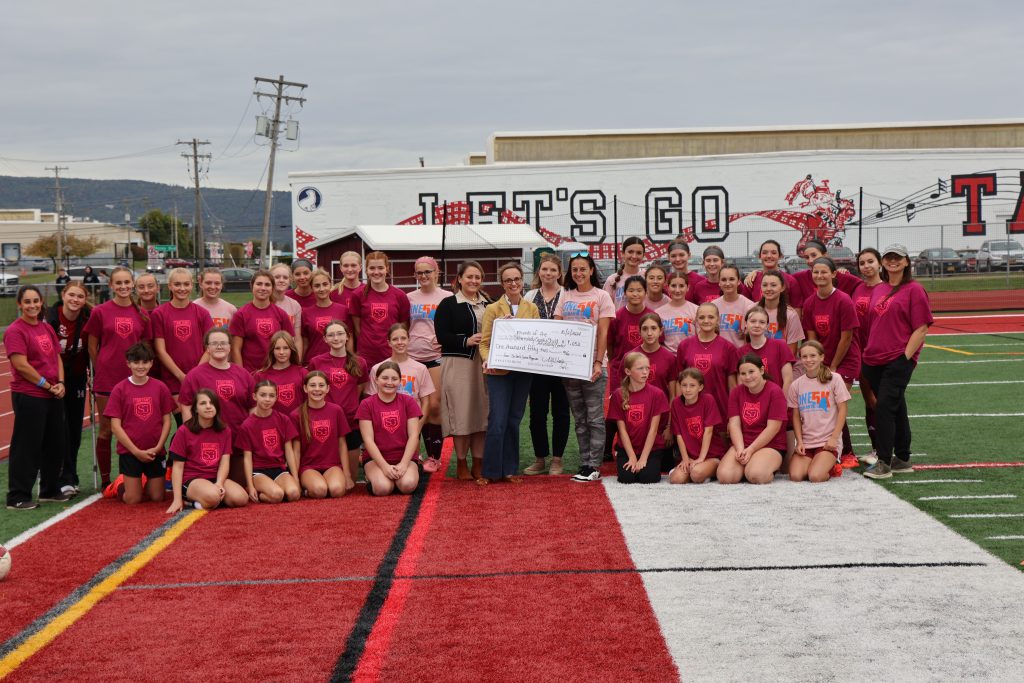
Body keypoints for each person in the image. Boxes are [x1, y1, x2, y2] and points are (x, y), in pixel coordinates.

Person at [861, 244, 933, 479]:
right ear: (883, 262)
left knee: (883, 408)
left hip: (897, 359)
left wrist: (905, 358)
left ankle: (883, 462)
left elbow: (921, 328)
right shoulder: (879, 288)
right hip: (874, 359)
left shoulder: (914, 290)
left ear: (906, 262)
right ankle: (902, 457)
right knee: (896, 406)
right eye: (889, 257)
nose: (893, 261)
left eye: (897, 258)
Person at [5, 286, 70, 509]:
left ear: (42, 302)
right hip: (30, 394)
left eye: (36, 301)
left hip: (53, 393)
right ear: (19, 304)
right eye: (27, 302)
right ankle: (18, 495)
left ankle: (49, 489)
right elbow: (21, 365)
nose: (32, 305)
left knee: (55, 443)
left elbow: (56, 358)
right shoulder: (16, 331)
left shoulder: (45, 327)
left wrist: (60, 383)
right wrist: (46, 385)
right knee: (27, 446)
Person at [84, 266, 149, 489]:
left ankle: (129, 477)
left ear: (133, 284)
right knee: (107, 428)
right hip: (107, 379)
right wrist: (101, 367)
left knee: (134, 427)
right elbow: (92, 345)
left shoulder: (141, 313)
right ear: (111, 285)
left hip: (134, 379)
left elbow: (145, 347)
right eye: (118, 283)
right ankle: (105, 480)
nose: (123, 287)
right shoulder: (100, 311)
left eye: (126, 282)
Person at [554, 251, 615, 483]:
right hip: (570, 367)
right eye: (575, 269)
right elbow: (557, 328)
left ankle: (594, 464)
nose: (578, 273)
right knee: (579, 418)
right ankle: (585, 462)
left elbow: (603, 332)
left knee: (594, 417)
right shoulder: (565, 295)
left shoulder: (601, 296)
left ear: (591, 270)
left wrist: (598, 362)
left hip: (592, 366)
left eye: (583, 269)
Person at [478, 262, 539, 484]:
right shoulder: (493, 309)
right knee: (497, 420)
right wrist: (487, 361)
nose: (513, 283)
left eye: (516, 279)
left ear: (522, 280)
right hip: (499, 373)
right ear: (502, 284)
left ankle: (510, 469)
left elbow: (537, 340)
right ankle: (490, 471)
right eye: (508, 280)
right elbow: (484, 344)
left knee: (514, 420)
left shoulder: (531, 309)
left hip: (523, 373)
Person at [434, 261, 492, 481]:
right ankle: (461, 463)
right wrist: (466, 340)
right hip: (459, 364)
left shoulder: (490, 303)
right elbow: (442, 336)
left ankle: (478, 462)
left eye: (478, 277)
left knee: (481, 414)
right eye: (469, 277)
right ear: (459, 278)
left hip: (486, 364)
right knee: (462, 414)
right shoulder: (448, 304)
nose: (474, 281)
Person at [802, 257, 860, 468]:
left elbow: (846, 337)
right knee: (823, 406)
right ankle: (826, 450)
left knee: (836, 404)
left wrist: (833, 366)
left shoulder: (843, 300)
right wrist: (817, 363)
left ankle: (848, 452)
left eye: (824, 272)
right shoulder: (809, 303)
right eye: (816, 272)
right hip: (822, 361)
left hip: (844, 359)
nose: (819, 276)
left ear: (834, 274)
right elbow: (811, 338)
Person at [178, 327, 255, 488]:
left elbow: (252, 408)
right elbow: (185, 405)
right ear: (207, 348)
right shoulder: (194, 375)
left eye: (223, 343)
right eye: (214, 343)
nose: (219, 347)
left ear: (229, 346)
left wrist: (249, 436)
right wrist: (194, 433)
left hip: (237, 442)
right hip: (207, 444)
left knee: (237, 493)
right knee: (210, 491)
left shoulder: (243, 374)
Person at [104, 343, 174, 504]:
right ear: (128, 363)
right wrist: (136, 451)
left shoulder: (160, 387)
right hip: (130, 452)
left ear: (151, 363)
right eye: (136, 362)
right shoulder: (120, 389)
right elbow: (116, 426)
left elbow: (167, 421)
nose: (140, 366)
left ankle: (141, 482)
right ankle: (119, 485)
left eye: (144, 362)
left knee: (157, 497)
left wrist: (158, 447)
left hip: (155, 452)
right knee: (133, 499)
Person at [523, 254, 569, 476]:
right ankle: (540, 458)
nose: (548, 274)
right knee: (537, 414)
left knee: (561, 411)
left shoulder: (568, 295)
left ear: (559, 273)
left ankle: (557, 460)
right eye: (544, 270)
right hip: (537, 365)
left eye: (553, 270)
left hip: (562, 364)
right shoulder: (530, 296)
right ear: (538, 272)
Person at [166, 389, 247, 513]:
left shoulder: (225, 430)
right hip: (193, 479)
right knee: (213, 496)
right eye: (203, 403)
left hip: (215, 477)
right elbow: (177, 467)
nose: (208, 407)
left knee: (241, 498)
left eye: (212, 403)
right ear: (196, 409)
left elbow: (224, 463)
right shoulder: (184, 431)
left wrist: (219, 483)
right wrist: (176, 499)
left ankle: (206, 501)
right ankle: (191, 500)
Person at [406, 256, 452, 470]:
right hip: (412, 358)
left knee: (434, 406)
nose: (423, 276)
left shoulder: (448, 297)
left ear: (437, 272)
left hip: (436, 358)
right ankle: (413, 453)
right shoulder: (408, 298)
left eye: (428, 272)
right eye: (419, 273)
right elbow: (403, 326)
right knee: (412, 407)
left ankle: (434, 455)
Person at [366, 324, 434, 465]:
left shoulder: (420, 368)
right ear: (389, 342)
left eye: (403, 338)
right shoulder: (377, 369)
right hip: (385, 424)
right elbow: (371, 400)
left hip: (411, 424)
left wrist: (419, 425)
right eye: (395, 339)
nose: (400, 342)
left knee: (409, 470)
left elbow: (426, 401)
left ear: (409, 340)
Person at [46, 280, 91, 496]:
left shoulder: (87, 319)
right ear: (64, 295)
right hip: (53, 380)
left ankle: (71, 475)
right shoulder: (50, 318)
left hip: (77, 378)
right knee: (59, 428)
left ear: (85, 300)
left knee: (74, 429)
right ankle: (60, 476)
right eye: (71, 295)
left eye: (80, 297)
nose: (75, 300)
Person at [307, 320, 367, 480]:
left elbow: (360, 389)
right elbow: (313, 390)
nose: (336, 338)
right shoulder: (316, 362)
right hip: (325, 421)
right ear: (325, 339)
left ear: (347, 336)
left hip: (351, 420)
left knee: (351, 479)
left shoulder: (360, 362)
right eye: (331, 335)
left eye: (340, 333)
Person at [151, 268, 214, 418]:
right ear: (170, 286)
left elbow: (210, 347)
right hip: (173, 379)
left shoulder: (202, 313)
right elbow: (160, 350)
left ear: (192, 285)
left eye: (186, 284)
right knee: (183, 424)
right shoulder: (159, 313)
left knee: (203, 422)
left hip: (200, 377)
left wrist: (194, 374)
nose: (182, 288)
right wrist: (181, 376)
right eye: (177, 284)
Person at [718, 354, 787, 485]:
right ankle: (747, 466)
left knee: (756, 475)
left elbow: (773, 428)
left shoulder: (775, 391)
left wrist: (751, 450)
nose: (747, 377)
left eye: (751, 372)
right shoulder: (736, 392)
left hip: (770, 445)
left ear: (761, 370)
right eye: (743, 373)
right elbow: (734, 425)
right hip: (743, 443)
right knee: (725, 477)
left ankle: (759, 466)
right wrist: (740, 449)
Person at [787, 341, 851, 483]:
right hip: (807, 442)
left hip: (827, 442)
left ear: (821, 357)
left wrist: (834, 438)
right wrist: (799, 441)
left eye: (813, 356)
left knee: (815, 476)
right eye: (804, 357)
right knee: (796, 476)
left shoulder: (834, 378)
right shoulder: (796, 385)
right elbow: (795, 416)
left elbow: (843, 409)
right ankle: (816, 463)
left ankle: (831, 466)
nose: (808, 360)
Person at [357, 362, 423, 496]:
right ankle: (374, 476)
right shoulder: (366, 404)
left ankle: (414, 470)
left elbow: (413, 436)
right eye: (385, 378)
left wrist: (404, 464)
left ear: (400, 381)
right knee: (382, 488)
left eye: (394, 379)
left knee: (407, 485)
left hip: (404, 456)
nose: (389, 382)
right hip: (376, 458)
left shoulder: (409, 401)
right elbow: (368, 440)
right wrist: (384, 467)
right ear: (376, 379)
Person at [606, 352, 670, 484]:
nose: (645, 372)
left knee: (648, 477)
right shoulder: (618, 395)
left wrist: (643, 459)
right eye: (640, 368)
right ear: (628, 371)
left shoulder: (657, 394)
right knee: (626, 478)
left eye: (647, 368)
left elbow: (653, 430)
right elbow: (621, 431)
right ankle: (622, 456)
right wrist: (632, 457)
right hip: (628, 448)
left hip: (651, 448)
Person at [671, 302, 739, 421]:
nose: (706, 321)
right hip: (690, 411)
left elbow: (732, 386)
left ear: (718, 320)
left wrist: (733, 417)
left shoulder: (728, 347)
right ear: (696, 320)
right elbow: (679, 381)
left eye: (711, 317)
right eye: (702, 317)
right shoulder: (684, 345)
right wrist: (679, 410)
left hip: (720, 410)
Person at [236, 380, 301, 503]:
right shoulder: (247, 425)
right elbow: (247, 458)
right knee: (277, 495)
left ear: (276, 397)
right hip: (259, 471)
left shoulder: (283, 419)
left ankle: (274, 489)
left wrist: (296, 478)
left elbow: (289, 451)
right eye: (263, 395)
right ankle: (263, 493)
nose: (267, 399)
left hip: (279, 468)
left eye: (271, 396)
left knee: (294, 494)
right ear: (255, 396)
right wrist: (250, 486)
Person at [291, 371, 352, 498]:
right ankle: (307, 490)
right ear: (305, 388)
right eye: (312, 385)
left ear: (328, 388)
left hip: (332, 465)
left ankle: (326, 484)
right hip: (308, 467)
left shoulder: (336, 410)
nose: (317, 389)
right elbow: (296, 451)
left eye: (321, 385)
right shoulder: (296, 415)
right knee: (320, 490)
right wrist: (295, 479)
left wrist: (347, 475)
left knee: (337, 490)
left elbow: (342, 444)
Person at [852, 248, 885, 464]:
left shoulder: (889, 289)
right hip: (861, 353)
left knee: (884, 401)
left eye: (870, 261)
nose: (866, 266)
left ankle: (887, 448)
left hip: (882, 353)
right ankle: (875, 448)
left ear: (880, 263)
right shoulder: (857, 288)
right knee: (868, 401)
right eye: (862, 263)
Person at [350, 251, 410, 367]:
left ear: (387, 269)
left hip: (392, 354)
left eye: (380, 268)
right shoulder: (357, 295)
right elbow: (357, 329)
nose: (376, 272)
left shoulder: (400, 295)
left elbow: (404, 327)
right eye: (372, 268)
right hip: (366, 356)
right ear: (366, 270)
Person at [669, 368, 726, 484]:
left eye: (692, 385)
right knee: (676, 479)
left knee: (696, 474)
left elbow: (708, 431)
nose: (687, 389)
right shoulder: (676, 403)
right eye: (684, 385)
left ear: (700, 387)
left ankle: (713, 468)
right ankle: (697, 471)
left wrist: (701, 458)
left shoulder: (708, 400)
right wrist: (685, 459)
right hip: (690, 455)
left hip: (710, 454)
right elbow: (678, 434)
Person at [229, 270, 293, 372]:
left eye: (267, 285)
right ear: (252, 286)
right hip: (251, 372)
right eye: (259, 284)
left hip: (276, 370)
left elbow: (289, 346)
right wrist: (241, 374)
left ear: (272, 288)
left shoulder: (281, 314)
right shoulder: (241, 314)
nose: (263, 288)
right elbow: (236, 349)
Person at [791, 239, 862, 308]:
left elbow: (863, 286)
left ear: (824, 255)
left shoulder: (842, 277)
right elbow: (784, 281)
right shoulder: (800, 277)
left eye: (814, 255)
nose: (810, 260)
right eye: (806, 257)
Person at [301, 269, 351, 363]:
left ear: (330, 285)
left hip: (340, 361)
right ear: (311, 288)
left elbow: (350, 337)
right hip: (314, 362)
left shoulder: (343, 310)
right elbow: (305, 342)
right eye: (317, 286)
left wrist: (350, 359)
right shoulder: (305, 313)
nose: (321, 289)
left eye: (325, 284)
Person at [254, 332, 308, 416]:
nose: (281, 352)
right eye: (277, 348)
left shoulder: (302, 373)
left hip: (298, 424)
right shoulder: (261, 376)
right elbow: (255, 407)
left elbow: (308, 403)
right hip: (273, 425)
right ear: (272, 350)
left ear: (292, 349)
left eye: (286, 348)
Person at [757, 270, 804, 356]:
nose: (768, 289)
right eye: (764, 285)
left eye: (773, 285)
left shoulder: (791, 314)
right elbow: (747, 344)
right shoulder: (752, 309)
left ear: (782, 287)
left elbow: (791, 351)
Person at [711, 265, 755, 348]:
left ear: (738, 281)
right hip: (719, 354)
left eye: (731, 279)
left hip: (741, 355)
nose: (727, 283)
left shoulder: (749, 305)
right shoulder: (713, 306)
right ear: (719, 282)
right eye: (724, 280)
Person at [656, 272, 698, 353]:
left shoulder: (696, 310)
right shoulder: (658, 313)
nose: (677, 290)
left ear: (688, 288)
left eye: (681, 286)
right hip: (669, 358)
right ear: (667, 287)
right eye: (673, 286)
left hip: (689, 356)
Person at [270, 263, 304, 360]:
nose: (281, 280)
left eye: (285, 277)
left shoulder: (295, 305)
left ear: (290, 281)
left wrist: (298, 360)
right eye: (277, 277)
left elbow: (297, 338)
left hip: (287, 356)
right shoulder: (264, 303)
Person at [603, 236, 646, 309]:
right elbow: (605, 308)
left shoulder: (647, 276)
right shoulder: (612, 280)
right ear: (623, 254)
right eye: (630, 252)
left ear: (643, 255)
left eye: (639, 253)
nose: (634, 256)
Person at [664, 238, 706, 304]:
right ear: (668, 257)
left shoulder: (700, 281)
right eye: (673, 256)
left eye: (681, 255)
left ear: (689, 255)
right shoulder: (664, 281)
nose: (677, 259)